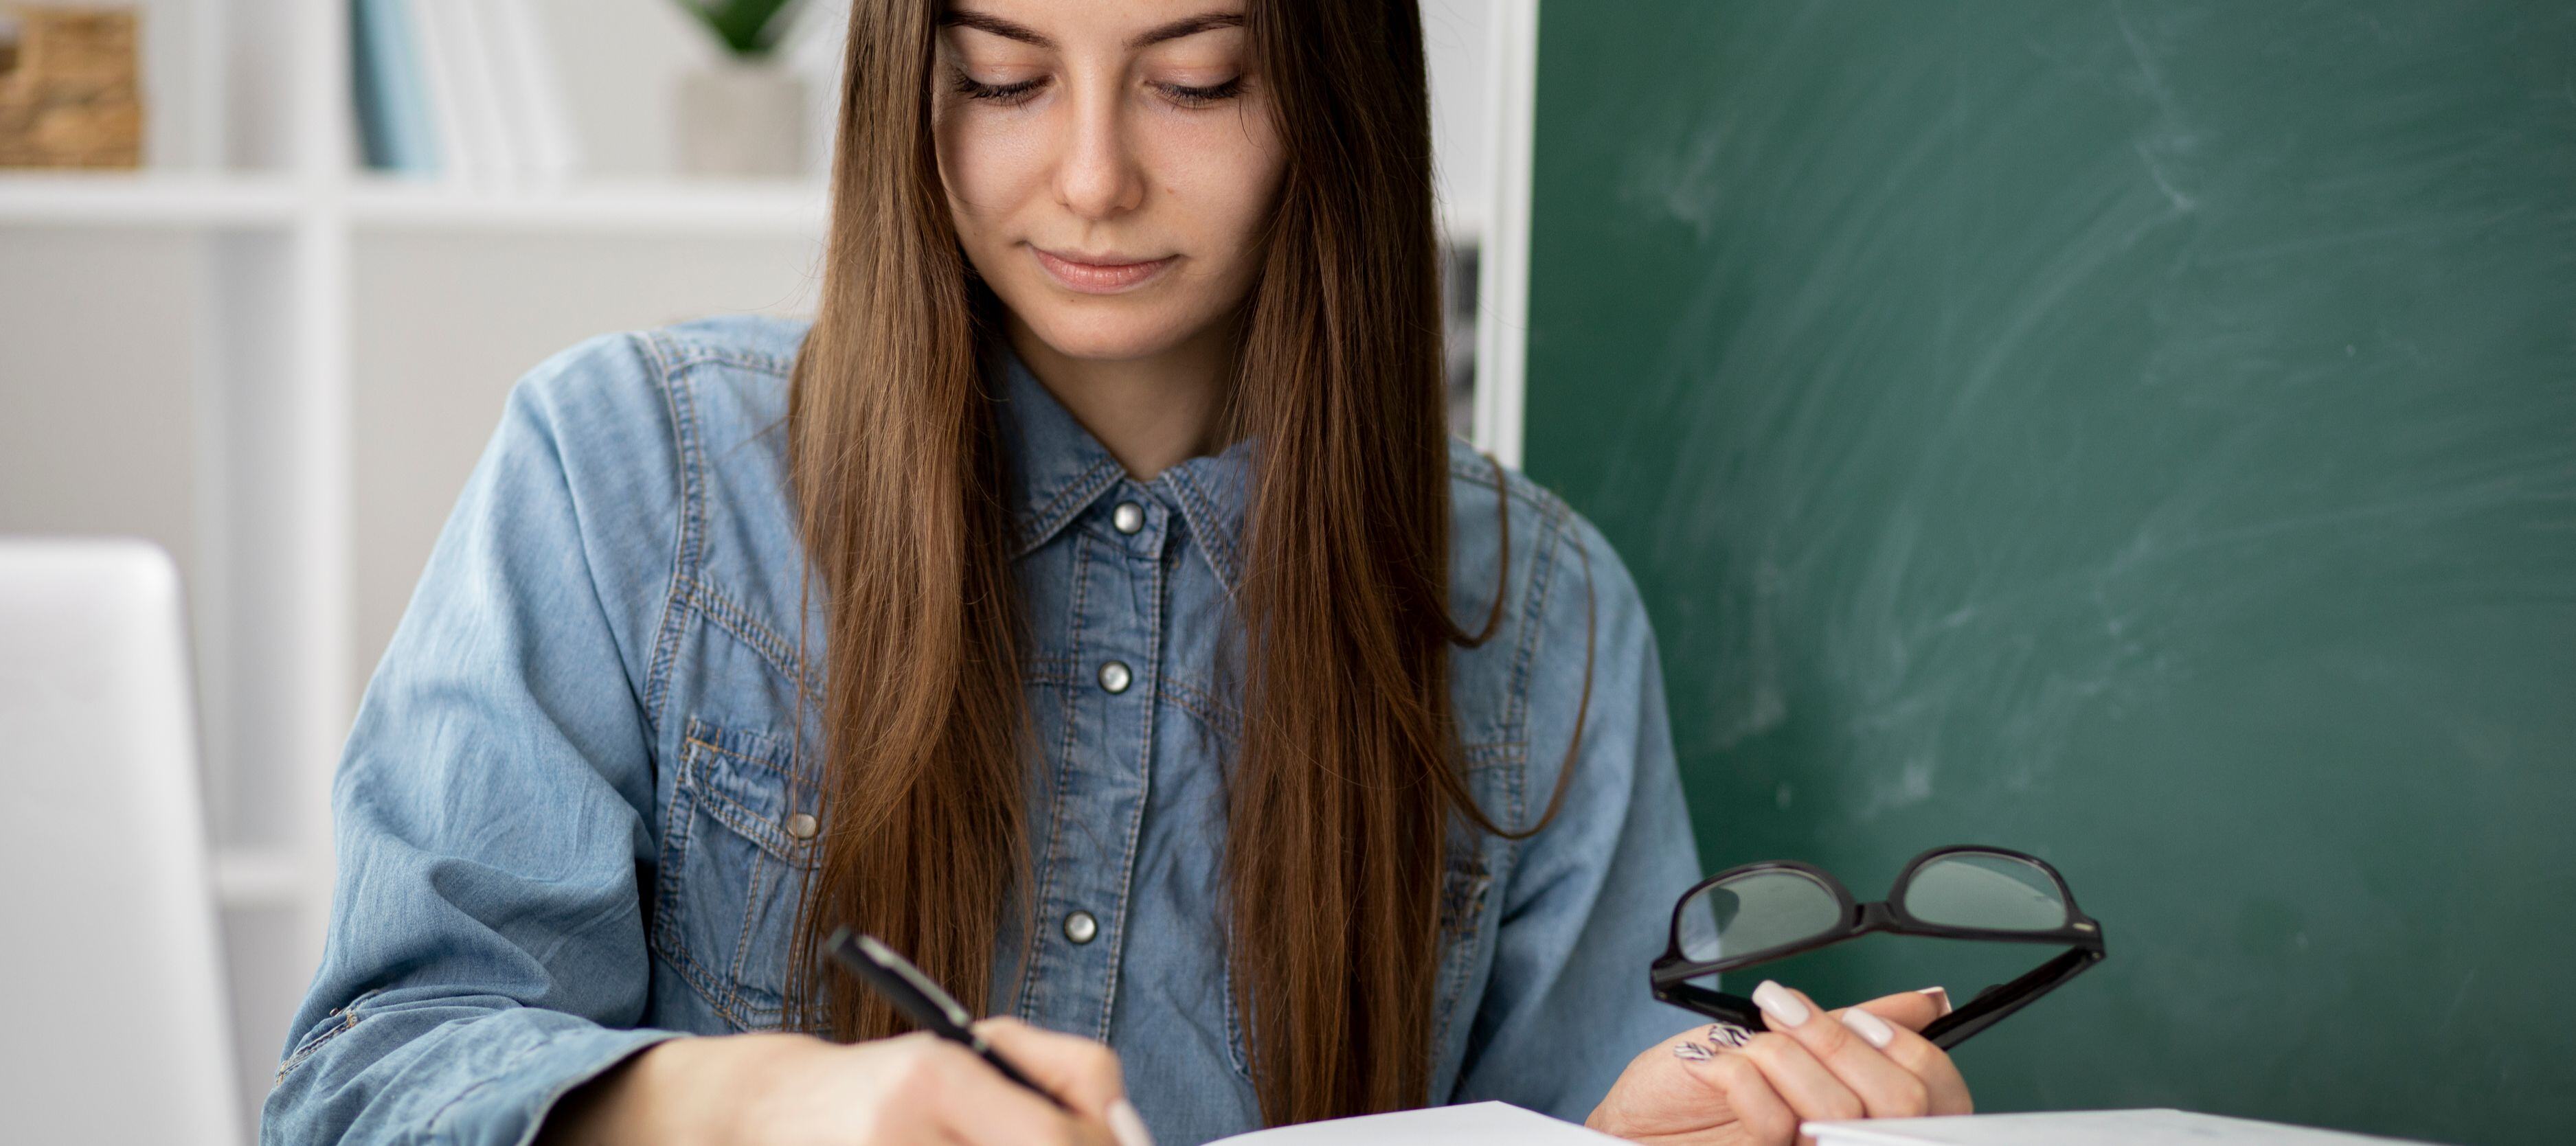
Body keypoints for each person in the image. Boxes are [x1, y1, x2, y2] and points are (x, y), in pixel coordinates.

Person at [262, 3, 1972, 1144]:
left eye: (1198, 78)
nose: (1090, 175)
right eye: (1004, 77)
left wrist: (1649, 1134)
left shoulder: (1536, 610)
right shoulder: (627, 473)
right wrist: (776, 1105)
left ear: (1331, 92)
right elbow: (366, 1087)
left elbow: (1536, 1122)